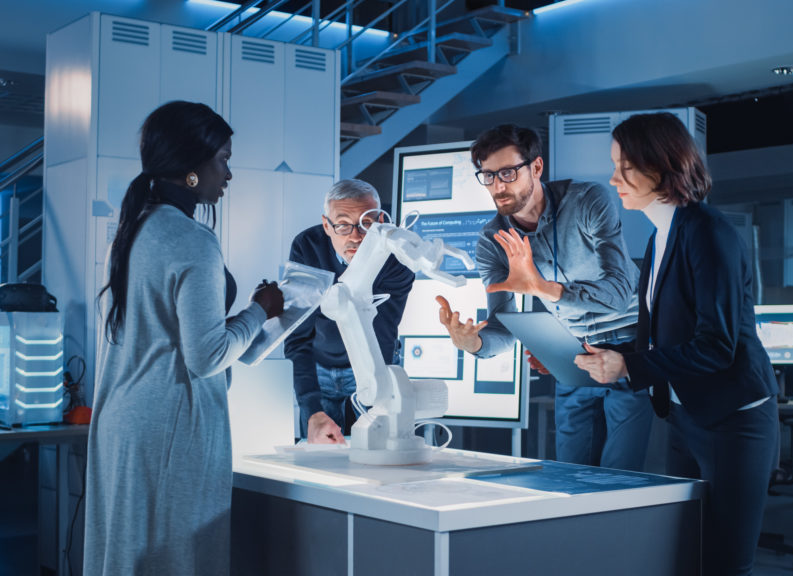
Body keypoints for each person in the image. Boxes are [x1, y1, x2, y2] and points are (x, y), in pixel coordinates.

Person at [574, 112, 778, 576]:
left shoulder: (708, 233)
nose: (613, 179)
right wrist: (606, 361)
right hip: (687, 415)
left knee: (725, 563)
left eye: (624, 167)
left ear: (660, 166)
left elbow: (717, 346)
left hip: (735, 420)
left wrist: (627, 366)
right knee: (684, 557)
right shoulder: (659, 234)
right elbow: (666, 336)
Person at [85, 101, 284, 576]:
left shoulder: (137, 227)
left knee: (133, 556)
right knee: (175, 561)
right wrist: (262, 309)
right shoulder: (191, 239)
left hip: (126, 420)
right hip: (169, 425)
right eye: (223, 160)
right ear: (192, 168)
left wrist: (253, 324)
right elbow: (207, 356)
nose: (229, 174)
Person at [437, 124, 652, 471]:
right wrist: (472, 343)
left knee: (619, 476)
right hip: (572, 354)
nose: (498, 186)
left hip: (630, 348)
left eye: (507, 173)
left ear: (536, 168)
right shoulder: (492, 240)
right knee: (569, 474)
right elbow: (503, 330)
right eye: (488, 176)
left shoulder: (587, 200)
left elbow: (618, 293)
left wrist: (540, 287)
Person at [285, 179, 415, 443]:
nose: (355, 236)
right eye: (343, 224)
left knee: (379, 448)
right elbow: (298, 334)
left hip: (372, 359)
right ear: (326, 225)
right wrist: (312, 409)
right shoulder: (308, 247)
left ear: (380, 220)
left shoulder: (397, 259)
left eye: (367, 223)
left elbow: (383, 334)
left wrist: (379, 409)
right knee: (320, 455)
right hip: (319, 361)